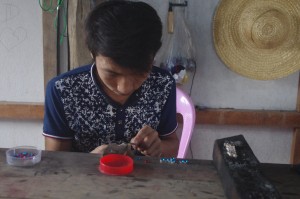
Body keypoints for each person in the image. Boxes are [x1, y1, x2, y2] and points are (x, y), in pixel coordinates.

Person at [43, 0, 179, 157]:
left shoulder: (162, 84)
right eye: (112, 74)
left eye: (139, 73)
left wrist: (159, 147)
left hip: (146, 179)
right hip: (84, 179)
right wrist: (89, 161)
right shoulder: (62, 90)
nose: (124, 88)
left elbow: (173, 146)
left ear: (153, 56)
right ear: (92, 53)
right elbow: (55, 162)